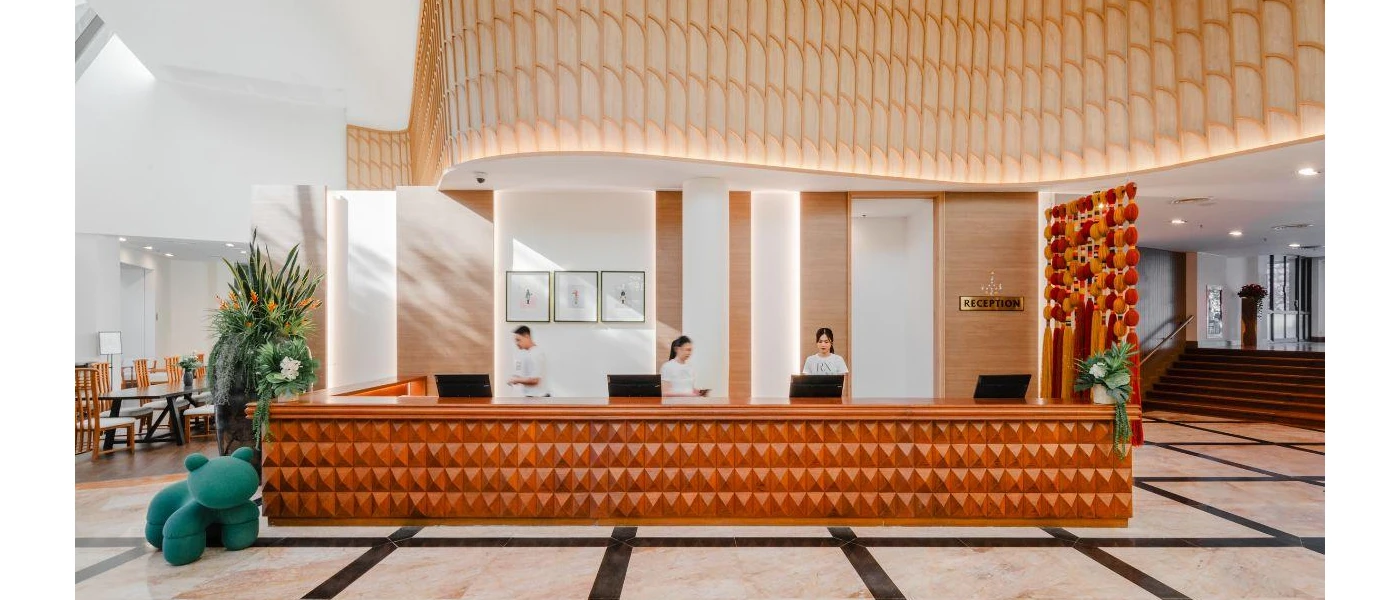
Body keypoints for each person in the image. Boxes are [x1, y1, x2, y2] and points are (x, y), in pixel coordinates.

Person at [508, 326, 549, 397]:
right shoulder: (528, 353)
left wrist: (516, 380)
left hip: (537, 399)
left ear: (527, 336)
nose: (516, 343)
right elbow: (529, 376)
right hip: (531, 398)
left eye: (518, 340)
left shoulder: (536, 353)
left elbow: (535, 380)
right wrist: (518, 378)